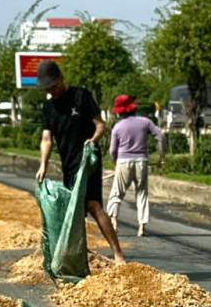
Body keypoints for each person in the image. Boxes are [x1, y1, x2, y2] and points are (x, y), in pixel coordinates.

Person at [33, 60, 124, 263]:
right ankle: (79, 254)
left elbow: (101, 126)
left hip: (88, 160)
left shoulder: (81, 95)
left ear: (61, 78)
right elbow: (46, 138)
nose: (52, 90)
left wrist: (92, 140)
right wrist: (43, 165)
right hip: (69, 164)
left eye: (53, 85)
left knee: (93, 205)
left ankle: (118, 254)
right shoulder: (49, 108)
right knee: (74, 211)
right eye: (48, 88)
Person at [105, 94, 165, 239]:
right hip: (142, 161)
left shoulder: (117, 127)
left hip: (123, 162)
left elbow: (112, 150)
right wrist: (161, 156)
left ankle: (113, 222)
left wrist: (116, 163)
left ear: (121, 111)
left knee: (116, 193)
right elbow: (160, 136)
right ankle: (141, 227)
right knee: (142, 193)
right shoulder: (145, 122)